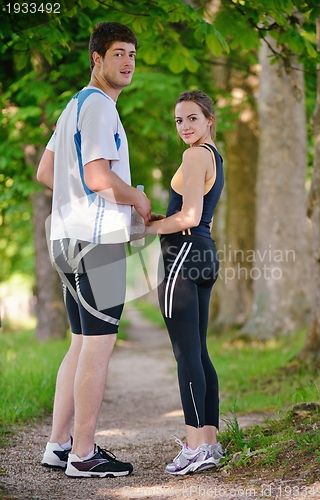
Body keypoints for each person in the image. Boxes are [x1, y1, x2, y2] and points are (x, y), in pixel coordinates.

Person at [36, 21, 151, 478]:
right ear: (96, 59)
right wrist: (138, 199)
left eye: (132, 55)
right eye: (118, 53)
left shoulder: (72, 108)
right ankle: (83, 455)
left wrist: (85, 196)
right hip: (98, 243)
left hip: (66, 237)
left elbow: (48, 171)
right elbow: (100, 178)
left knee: (81, 343)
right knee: (99, 347)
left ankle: (58, 445)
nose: (127, 62)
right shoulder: (100, 107)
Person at [146, 90, 225, 475]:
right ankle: (209, 442)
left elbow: (189, 215)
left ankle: (195, 448)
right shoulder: (214, 156)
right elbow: (196, 212)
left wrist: (145, 231)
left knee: (186, 354)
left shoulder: (194, 155)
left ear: (209, 119)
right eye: (179, 120)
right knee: (199, 352)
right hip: (205, 253)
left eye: (192, 118)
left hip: (182, 255)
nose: (184, 127)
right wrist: (163, 218)